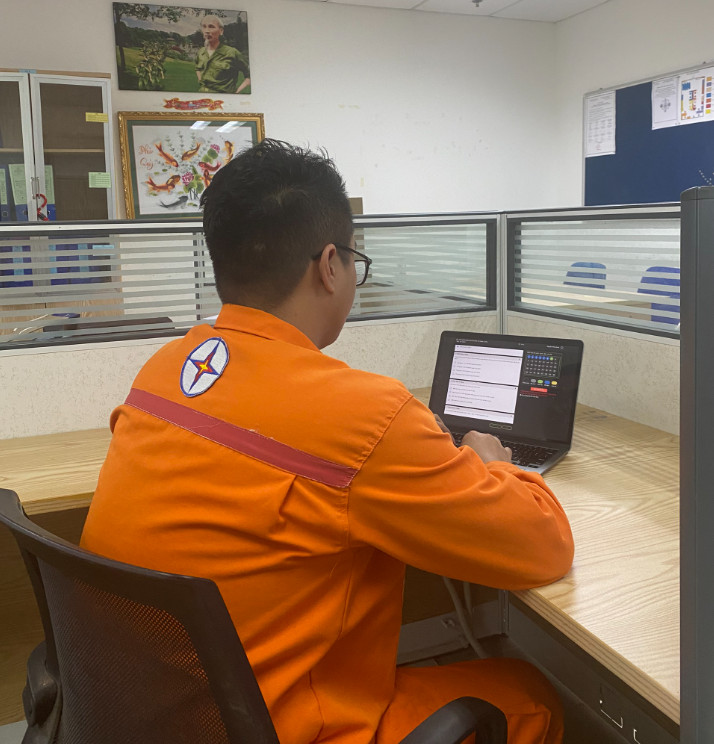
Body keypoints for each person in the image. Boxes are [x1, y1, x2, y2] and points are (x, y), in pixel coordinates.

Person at [80, 139, 574, 744]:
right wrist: (494, 466)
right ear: (330, 264)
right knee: (531, 694)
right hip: (269, 728)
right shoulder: (366, 415)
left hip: (147, 708)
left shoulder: (161, 374)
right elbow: (542, 549)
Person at [194, 14, 251, 94]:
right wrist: (201, 81)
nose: (207, 30)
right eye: (204, 26)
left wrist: (236, 93)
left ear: (221, 31)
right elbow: (197, 68)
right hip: (202, 96)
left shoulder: (232, 53)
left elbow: (249, 75)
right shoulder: (201, 51)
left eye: (211, 27)